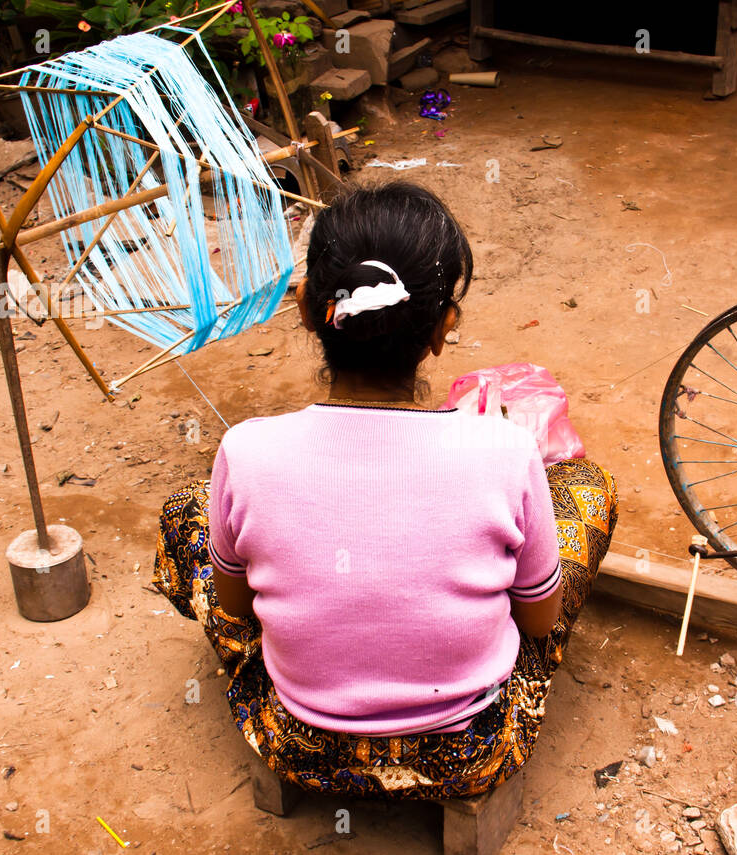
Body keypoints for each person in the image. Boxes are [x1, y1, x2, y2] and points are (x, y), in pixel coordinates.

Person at [154, 181, 617, 800]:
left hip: (297, 744)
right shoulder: (506, 452)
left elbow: (236, 610)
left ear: (306, 311)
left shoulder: (244, 452)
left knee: (189, 511)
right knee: (587, 488)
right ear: (440, 330)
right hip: (471, 752)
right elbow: (539, 622)